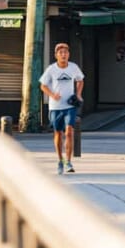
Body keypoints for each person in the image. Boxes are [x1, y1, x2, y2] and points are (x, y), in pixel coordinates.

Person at [39, 42, 84, 175]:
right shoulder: (51, 69)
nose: (63, 55)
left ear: (68, 54)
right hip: (55, 106)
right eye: (61, 53)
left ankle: (68, 161)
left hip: (69, 105)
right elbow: (43, 85)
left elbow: (80, 80)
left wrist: (78, 94)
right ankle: (60, 160)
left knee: (69, 131)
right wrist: (52, 95)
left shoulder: (73, 67)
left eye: (65, 52)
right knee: (58, 133)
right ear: (56, 55)